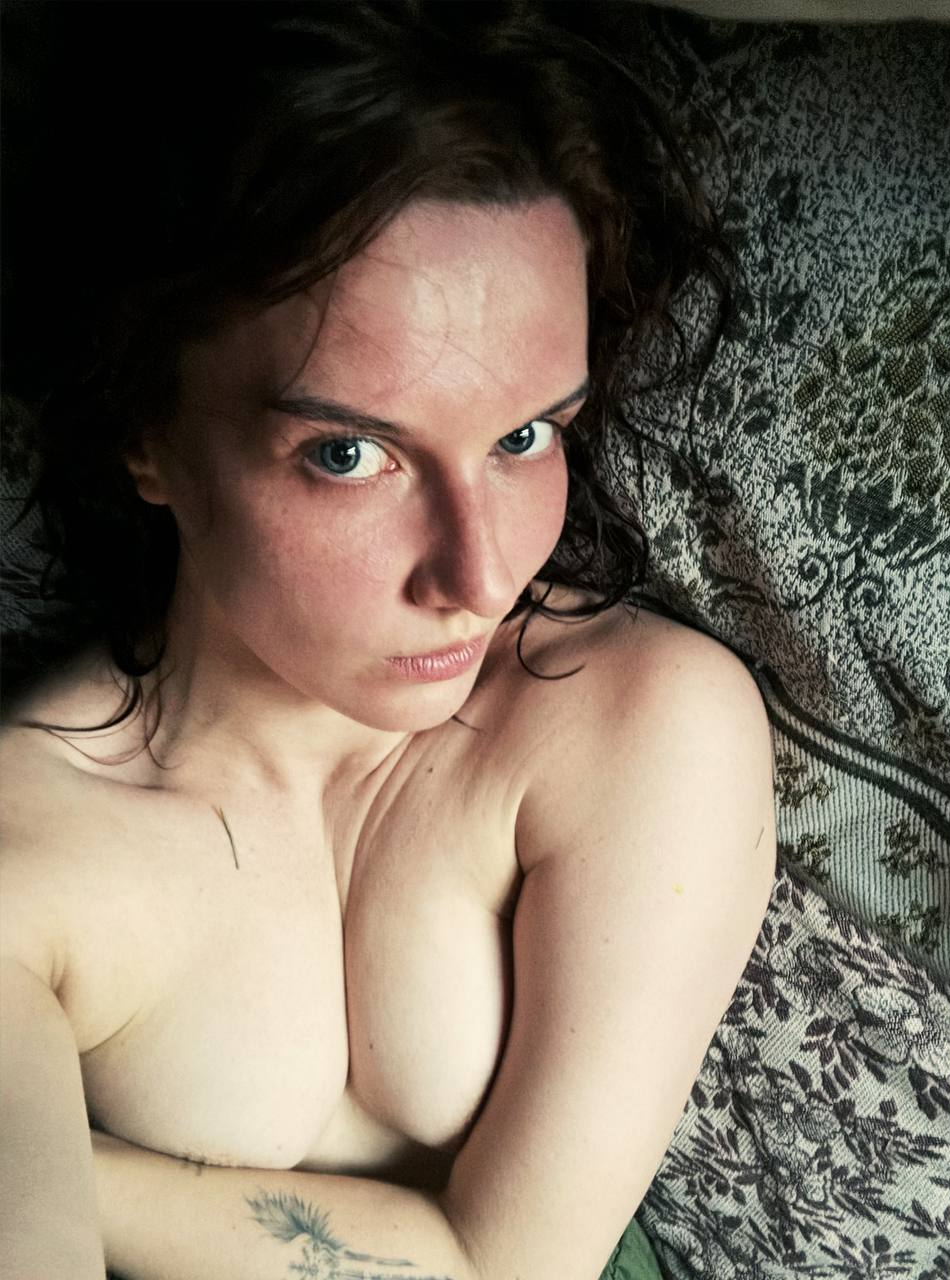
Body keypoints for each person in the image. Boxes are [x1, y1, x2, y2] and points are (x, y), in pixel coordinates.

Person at [0, 3, 776, 1277]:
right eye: (347, 455)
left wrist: (85, 1179)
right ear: (143, 432)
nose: (478, 574)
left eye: (524, 435)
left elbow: (511, 1263)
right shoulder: (31, 852)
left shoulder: (635, 718)